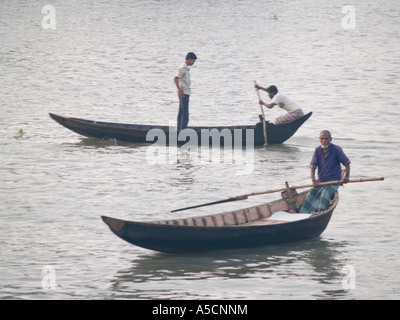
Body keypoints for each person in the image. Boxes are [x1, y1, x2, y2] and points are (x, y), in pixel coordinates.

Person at [299, 130, 351, 213]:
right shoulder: (317, 150)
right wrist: (314, 180)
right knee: (312, 193)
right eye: (321, 139)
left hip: (334, 181)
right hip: (321, 180)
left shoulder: (336, 149)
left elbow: (347, 164)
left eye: (326, 138)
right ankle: (303, 212)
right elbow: (313, 167)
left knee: (325, 192)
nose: (323, 141)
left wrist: (346, 177)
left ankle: (320, 211)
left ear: (330, 139)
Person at [174, 52, 197, 131]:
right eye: (193, 61)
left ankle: (179, 129)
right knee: (185, 113)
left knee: (181, 112)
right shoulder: (183, 68)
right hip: (184, 93)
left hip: (185, 92)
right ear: (189, 59)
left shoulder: (186, 68)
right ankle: (183, 130)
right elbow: (175, 78)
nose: (193, 63)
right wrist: (180, 91)